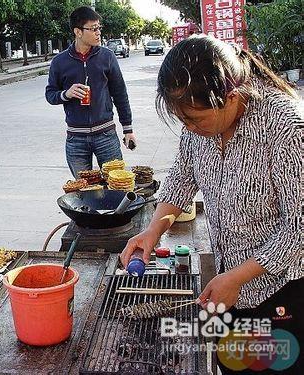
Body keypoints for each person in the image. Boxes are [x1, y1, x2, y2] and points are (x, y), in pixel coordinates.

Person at [120, 35, 302, 374]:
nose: (188, 128)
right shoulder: (198, 125)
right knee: (232, 363)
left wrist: (238, 277)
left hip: (281, 292)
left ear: (230, 97)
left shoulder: (285, 126)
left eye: (195, 119)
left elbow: (299, 229)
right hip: (228, 287)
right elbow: (181, 178)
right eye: (183, 120)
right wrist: (153, 230)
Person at [45, 6, 136, 178]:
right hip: (76, 139)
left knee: (116, 187)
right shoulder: (60, 62)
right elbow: (50, 94)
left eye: (99, 28)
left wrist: (128, 129)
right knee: (84, 193)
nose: (98, 32)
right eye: (93, 29)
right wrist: (66, 94)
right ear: (78, 32)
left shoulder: (107, 57)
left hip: (106, 135)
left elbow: (120, 94)